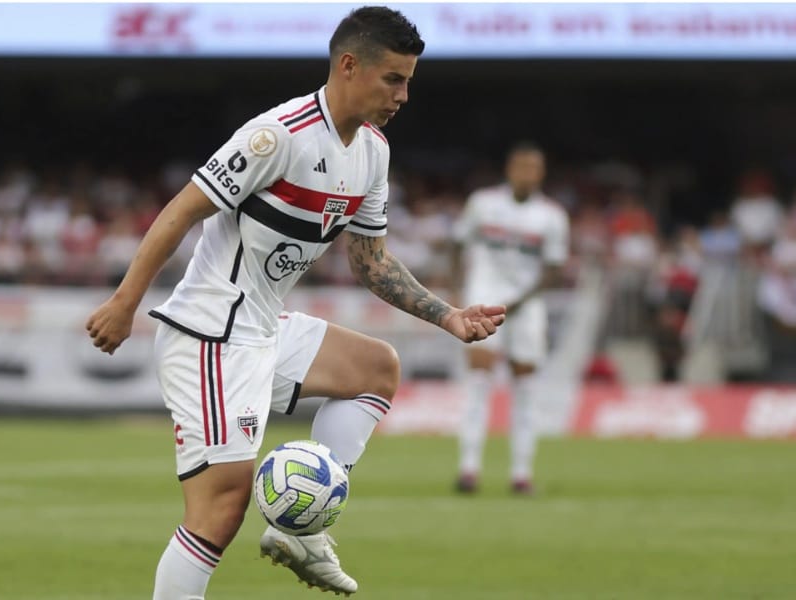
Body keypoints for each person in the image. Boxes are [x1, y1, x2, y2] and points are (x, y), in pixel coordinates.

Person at [86, 7, 506, 598]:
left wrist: (448, 315)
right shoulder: (277, 135)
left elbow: (372, 263)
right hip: (210, 331)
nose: (405, 95)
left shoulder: (373, 154)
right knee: (220, 509)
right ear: (349, 65)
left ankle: (301, 530)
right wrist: (125, 302)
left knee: (376, 369)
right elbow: (182, 209)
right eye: (394, 79)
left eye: (410, 80)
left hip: (261, 328)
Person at [451, 142, 569, 496]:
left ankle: (521, 473)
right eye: (521, 167)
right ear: (510, 169)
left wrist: (520, 302)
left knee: (526, 389)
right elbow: (457, 244)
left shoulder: (551, 216)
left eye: (534, 168)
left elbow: (553, 269)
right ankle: (468, 469)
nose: (526, 174)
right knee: (478, 383)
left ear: (541, 174)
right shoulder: (483, 203)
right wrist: (459, 292)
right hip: (482, 299)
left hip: (526, 307)